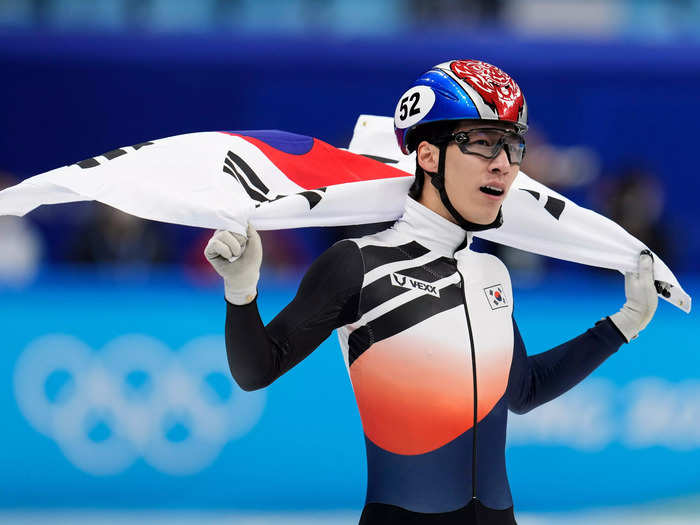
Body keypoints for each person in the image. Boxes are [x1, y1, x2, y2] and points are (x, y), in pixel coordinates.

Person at [204, 60, 658, 525]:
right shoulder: (358, 263)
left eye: (512, 145)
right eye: (482, 143)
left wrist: (623, 324)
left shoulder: (491, 274)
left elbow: (523, 390)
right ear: (427, 156)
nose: (503, 164)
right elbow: (256, 370)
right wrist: (241, 291)